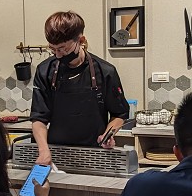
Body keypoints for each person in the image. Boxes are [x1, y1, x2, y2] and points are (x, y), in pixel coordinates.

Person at [31, 11, 130, 165]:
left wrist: (107, 134)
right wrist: (44, 151)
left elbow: (120, 114)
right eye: (53, 49)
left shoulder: (105, 72)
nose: (57, 55)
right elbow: (39, 119)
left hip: (94, 155)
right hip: (54, 154)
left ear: (81, 40)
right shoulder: (45, 71)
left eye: (63, 49)